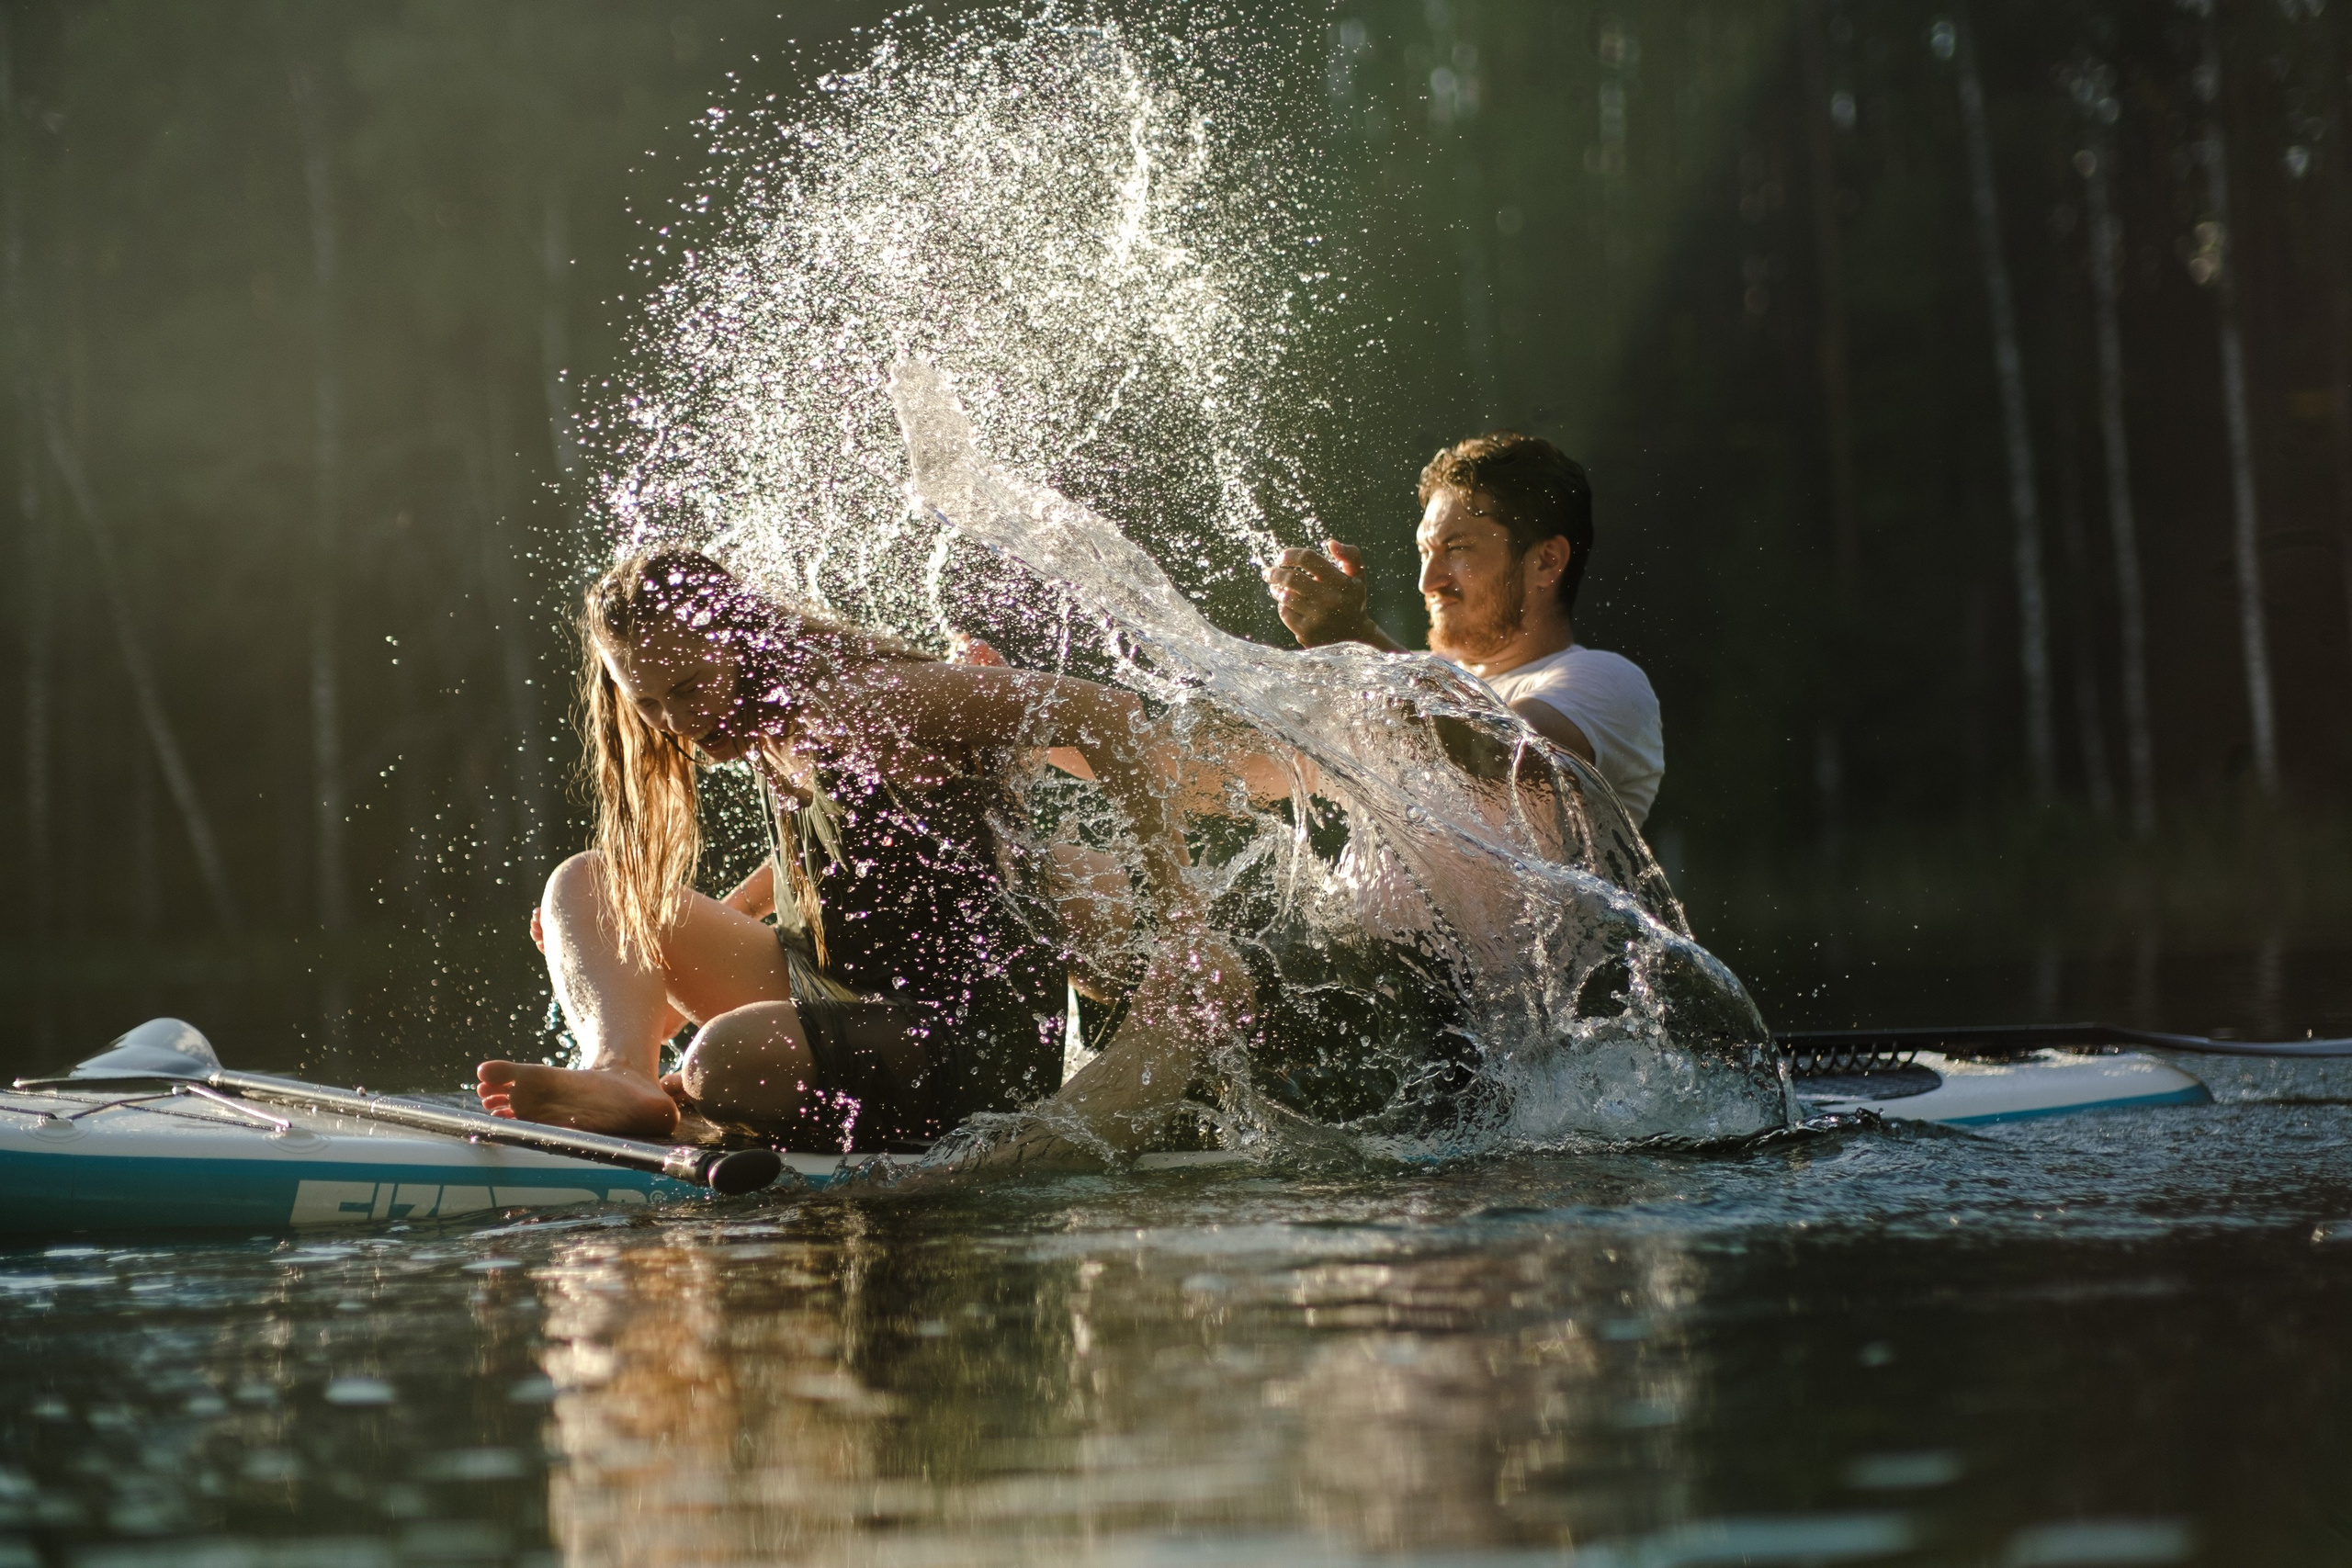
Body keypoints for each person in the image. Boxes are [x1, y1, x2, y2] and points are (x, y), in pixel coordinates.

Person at [477, 548, 1249, 1163]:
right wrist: (647, 940)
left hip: (964, 1029)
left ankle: (707, 1093)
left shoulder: (862, 698)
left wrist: (1183, 922)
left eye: (689, 686)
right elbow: (837, 851)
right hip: (843, 986)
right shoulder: (767, 718)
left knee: (724, 1061)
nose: (676, 721)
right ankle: (621, 1072)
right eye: (647, 703)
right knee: (590, 883)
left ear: (740, 639)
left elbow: (1105, 713)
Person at [1261, 433, 1665, 828]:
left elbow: (1496, 760)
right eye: (1425, 552)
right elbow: (1251, 771)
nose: (1427, 581)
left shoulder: (1611, 682)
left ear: (1546, 561)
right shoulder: (1407, 683)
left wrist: (1357, 642)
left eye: (1456, 548)